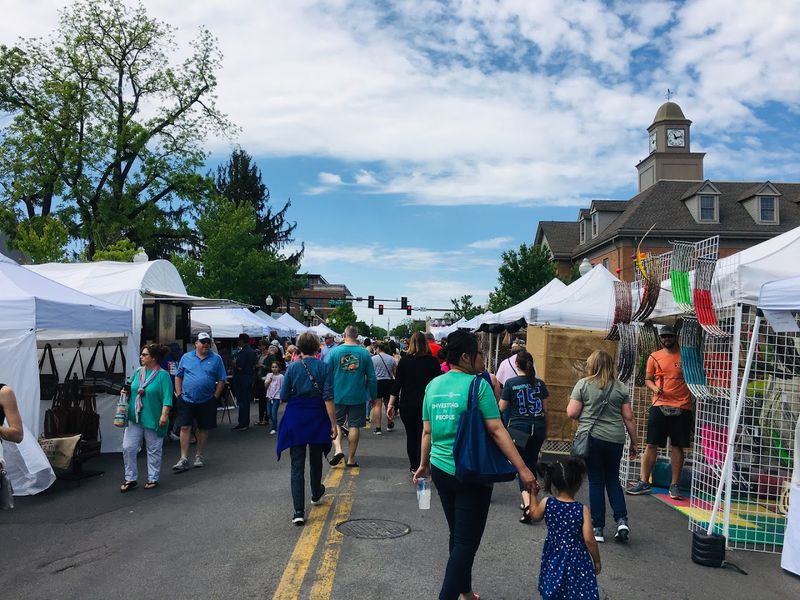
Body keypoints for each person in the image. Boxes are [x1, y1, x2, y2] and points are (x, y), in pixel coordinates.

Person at [414, 330, 536, 600]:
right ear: (467, 356)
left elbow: (427, 433)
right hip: (472, 472)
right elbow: (496, 429)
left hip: (440, 468)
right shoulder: (477, 385)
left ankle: (465, 591)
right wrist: (523, 468)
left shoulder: (433, 386)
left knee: (458, 535)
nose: (483, 359)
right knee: (466, 542)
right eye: (480, 354)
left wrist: (423, 465)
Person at [567, 350, 638, 543]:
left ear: (592, 364)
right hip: (615, 438)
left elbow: (572, 413)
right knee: (613, 479)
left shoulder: (583, 384)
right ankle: (622, 520)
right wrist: (635, 443)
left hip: (592, 438)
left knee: (596, 481)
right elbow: (629, 417)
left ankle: (598, 528)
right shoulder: (621, 388)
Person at [276, 332, 337, 526]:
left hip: (296, 416)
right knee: (316, 458)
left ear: (299, 348)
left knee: (297, 464)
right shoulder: (324, 367)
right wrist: (333, 424)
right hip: (317, 414)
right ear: (317, 348)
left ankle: (298, 511)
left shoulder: (292, 368)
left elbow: (284, 396)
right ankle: (316, 492)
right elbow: (328, 397)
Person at [626, 324, 692, 500]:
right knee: (651, 444)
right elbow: (648, 379)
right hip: (659, 404)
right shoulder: (654, 357)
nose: (666, 339)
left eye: (670, 336)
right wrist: (655, 388)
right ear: (660, 338)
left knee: (678, 446)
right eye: (663, 337)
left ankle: (675, 485)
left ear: (675, 337)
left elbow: (694, 377)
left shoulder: (687, 356)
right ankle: (644, 481)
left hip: (682, 406)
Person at [531, 458, 601, 600]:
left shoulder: (547, 503)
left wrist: (532, 495)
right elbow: (589, 539)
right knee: (577, 590)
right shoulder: (582, 509)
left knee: (554, 586)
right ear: (577, 484)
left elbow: (534, 516)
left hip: (553, 554)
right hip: (577, 558)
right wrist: (597, 560)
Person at [499, 351, 549, 523]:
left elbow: (502, 408)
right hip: (538, 427)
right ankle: (532, 499)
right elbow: (545, 409)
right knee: (531, 463)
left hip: (519, 429)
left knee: (521, 466)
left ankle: (528, 504)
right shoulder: (540, 384)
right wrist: (546, 429)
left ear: (517, 365)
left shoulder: (511, 383)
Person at [120, 344, 173, 491]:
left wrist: (164, 415)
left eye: (145, 355)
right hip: (135, 416)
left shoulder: (163, 376)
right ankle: (130, 478)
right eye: (142, 355)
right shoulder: (138, 372)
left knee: (153, 449)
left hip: (154, 418)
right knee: (128, 447)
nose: (141, 357)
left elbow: (167, 398)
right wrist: (125, 392)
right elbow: (130, 387)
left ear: (154, 358)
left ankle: (153, 477)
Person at [173, 332, 228, 472]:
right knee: (185, 427)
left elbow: (222, 378)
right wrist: (179, 394)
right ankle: (183, 458)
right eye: (202, 342)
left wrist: (215, 396)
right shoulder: (186, 357)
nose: (206, 344)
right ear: (195, 344)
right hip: (186, 398)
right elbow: (178, 376)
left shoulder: (216, 359)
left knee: (202, 428)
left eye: (208, 342)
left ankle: (199, 455)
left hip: (206, 400)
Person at [387, 331, 441, 472]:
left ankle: (414, 466)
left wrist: (391, 403)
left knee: (411, 436)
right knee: (425, 434)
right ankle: (424, 464)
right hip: (427, 404)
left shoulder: (404, 361)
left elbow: (397, 384)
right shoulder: (433, 362)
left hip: (407, 404)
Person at [326, 325, 377, 468]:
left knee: (336, 424)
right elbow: (372, 378)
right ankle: (351, 459)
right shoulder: (365, 353)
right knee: (354, 426)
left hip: (337, 395)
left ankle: (338, 450)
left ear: (344, 335)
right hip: (358, 395)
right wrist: (372, 396)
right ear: (357, 336)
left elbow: (326, 374)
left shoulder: (334, 352)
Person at [370, 341, 396, 434]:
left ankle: (378, 428)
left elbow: (371, 373)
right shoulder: (391, 359)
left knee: (377, 405)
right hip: (388, 382)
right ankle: (389, 423)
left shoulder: (373, 359)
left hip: (377, 382)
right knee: (388, 404)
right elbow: (394, 373)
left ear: (378, 348)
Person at [232, 333, 257, 431]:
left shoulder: (244, 352)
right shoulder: (252, 351)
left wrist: (234, 364)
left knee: (242, 401)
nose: (238, 342)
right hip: (249, 377)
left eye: (239, 340)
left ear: (242, 340)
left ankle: (242, 422)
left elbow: (240, 367)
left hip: (242, 378)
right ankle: (244, 422)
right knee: (246, 401)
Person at [265, 362, 284, 435]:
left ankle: (274, 428)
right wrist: (269, 380)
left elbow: (282, 387)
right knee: (269, 413)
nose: (274, 368)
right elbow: (266, 386)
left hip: (277, 396)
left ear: (279, 368)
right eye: (273, 367)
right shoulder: (269, 375)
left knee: (273, 413)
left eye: (276, 367)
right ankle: (275, 423)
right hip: (269, 396)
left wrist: (282, 398)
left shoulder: (281, 376)